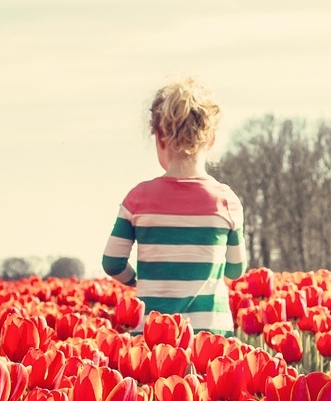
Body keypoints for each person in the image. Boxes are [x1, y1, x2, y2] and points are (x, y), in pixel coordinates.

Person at [102, 77, 246, 335]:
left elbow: (112, 262)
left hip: (152, 332)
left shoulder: (138, 198)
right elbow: (236, 269)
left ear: (159, 138)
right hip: (210, 332)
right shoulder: (226, 201)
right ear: (211, 139)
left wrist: (137, 280)